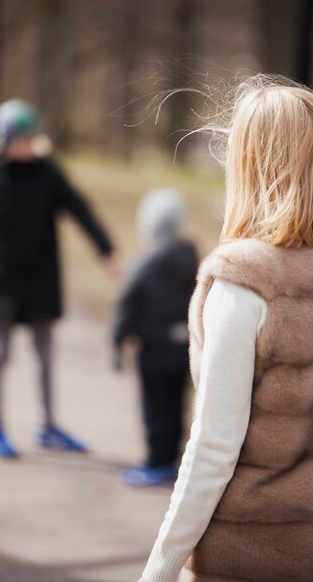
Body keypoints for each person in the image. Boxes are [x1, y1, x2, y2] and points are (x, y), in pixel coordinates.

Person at [137, 76, 313, 582]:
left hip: (244, 559)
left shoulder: (244, 285)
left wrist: (157, 572)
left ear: (247, 161)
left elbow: (212, 450)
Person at [0, 99, 117, 459]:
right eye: (22, 139)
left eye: (32, 138)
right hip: (1, 281)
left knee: (45, 353)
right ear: (5, 141)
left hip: (41, 280)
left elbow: (79, 208)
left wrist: (105, 250)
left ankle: (47, 426)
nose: (30, 145)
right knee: (0, 353)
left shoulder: (48, 172)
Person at [113, 188, 198, 487]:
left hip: (153, 352)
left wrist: (117, 343)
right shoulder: (191, 259)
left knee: (154, 409)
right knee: (176, 406)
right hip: (183, 350)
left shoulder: (143, 267)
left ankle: (156, 462)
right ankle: (171, 460)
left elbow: (128, 308)